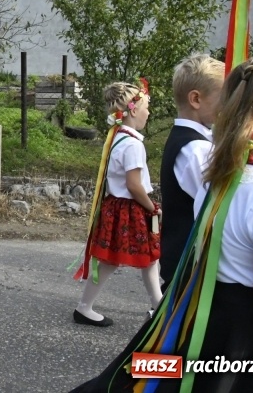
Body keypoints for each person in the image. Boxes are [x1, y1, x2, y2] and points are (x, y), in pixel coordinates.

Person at [71, 58, 253, 392]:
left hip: (205, 311)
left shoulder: (221, 179)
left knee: (159, 369)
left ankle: (138, 308)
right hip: (239, 338)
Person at [72, 80, 162, 327]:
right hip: (131, 208)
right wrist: (152, 207)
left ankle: (157, 304)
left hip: (117, 206)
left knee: (125, 259)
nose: (148, 113)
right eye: (146, 107)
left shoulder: (118, 138)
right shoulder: (133, 144)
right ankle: (157, 305)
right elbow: (134, 185)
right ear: (133, 110)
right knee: (143, 257)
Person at [159, 54, 224, 291]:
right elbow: (219, 206)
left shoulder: (196, 141)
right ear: (196, 99)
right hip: (190, 268)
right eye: (225, 96)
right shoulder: (196, 149)